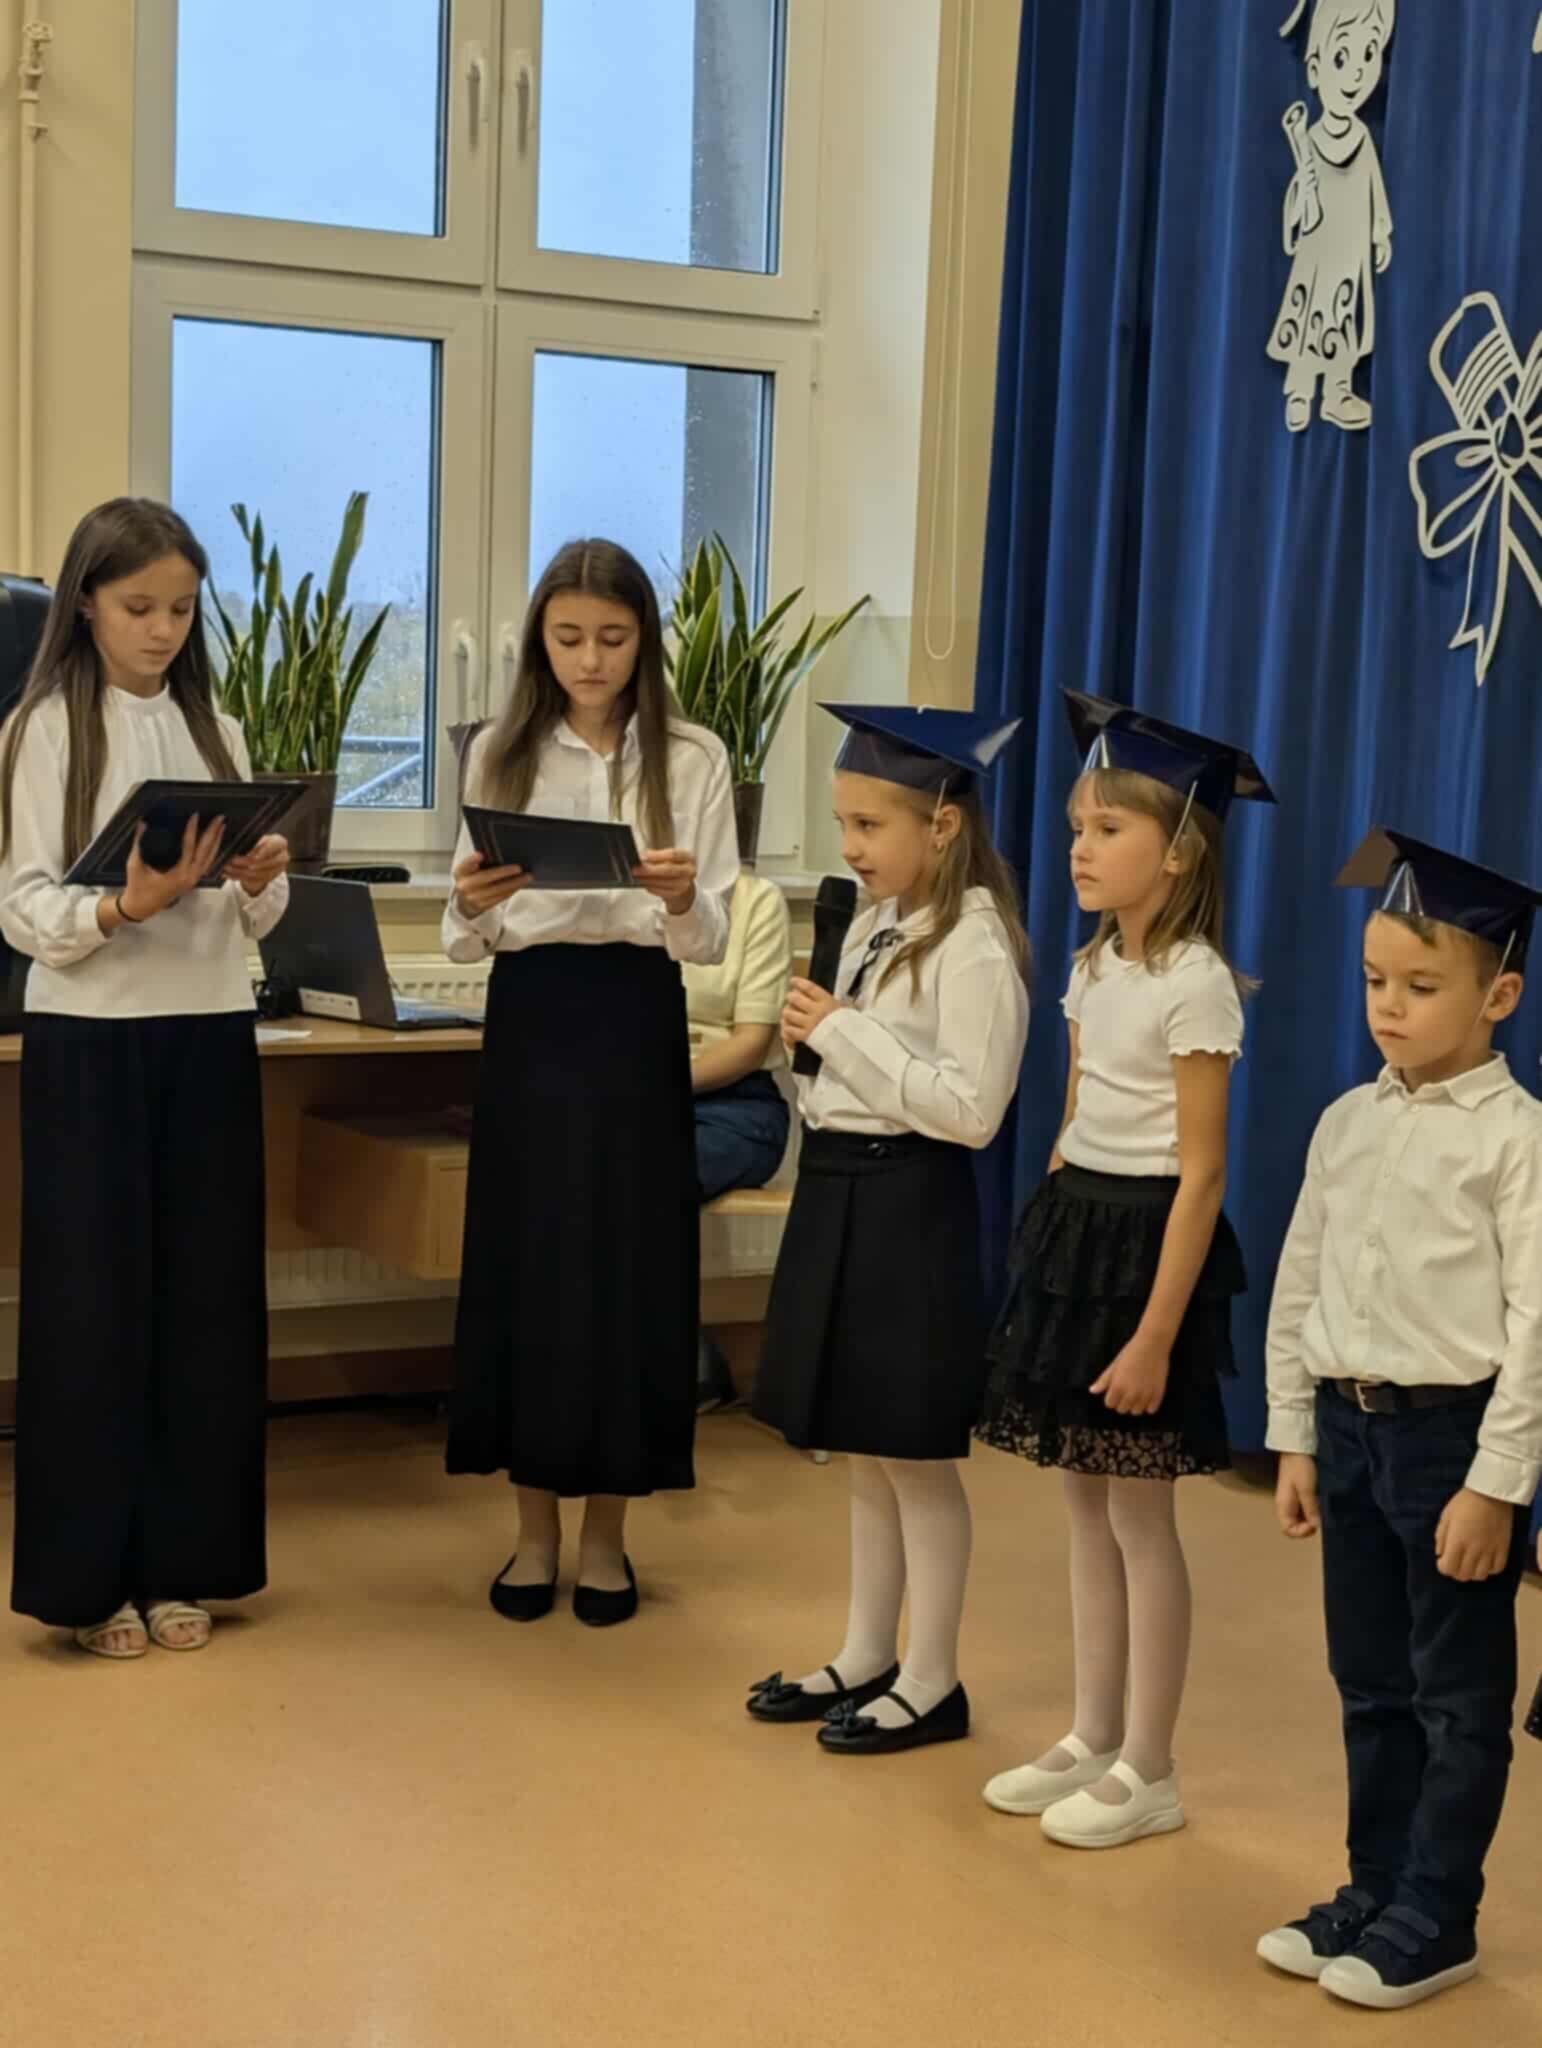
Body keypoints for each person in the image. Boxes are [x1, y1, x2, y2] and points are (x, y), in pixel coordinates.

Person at [975, 691, 1274, 1846]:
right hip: (1081, 1232)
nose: (1080, 848)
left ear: (1179, 850)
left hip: (1150, 1247)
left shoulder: (1195, 980)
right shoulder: (1094, 965)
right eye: (1075, 828)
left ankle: (1151, 1763)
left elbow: (1202, 1172)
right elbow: (1074, 1110)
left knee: (1142, 1516)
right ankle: (1093, 1730)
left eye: (1107, 829)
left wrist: (1152, 1333)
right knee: (1082, 1499)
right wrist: (1052, 1231)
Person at [0, 498, 290, 1659]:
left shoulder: (216, 724)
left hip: (209, 1030)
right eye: (138, 607)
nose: (163, 629)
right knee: (93, 1309)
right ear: (85, 604)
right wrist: (126, 905)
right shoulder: (40, 731)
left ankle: (186, 1560)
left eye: (179, 608)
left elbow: (258, 914)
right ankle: (90, 1578)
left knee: (204, 1306)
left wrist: (261, 875)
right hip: (92, 1040)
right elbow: (24, 906)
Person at [1259, 829, 1542, 2010]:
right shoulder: (1347, 1120)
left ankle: (1438, 1910)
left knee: (1455, 1694)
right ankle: (1373, 1885)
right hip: (1349, 1426)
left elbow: (1536, 1324)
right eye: (1376, 979)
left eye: (1422, 986)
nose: (1389, 1004)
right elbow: (1301, 1276)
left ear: (1499, 996)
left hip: (1450, 1445)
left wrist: (1497, 1482)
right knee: (1369, 1678)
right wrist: (1292, 1428)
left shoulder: (1518, 1141)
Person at [443, 538, 738, 1627]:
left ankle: (608, 1537)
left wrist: (679, 897)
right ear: (539, 641)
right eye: (568, 637)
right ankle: (532, 1534)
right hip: (532, 1016)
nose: (590, 659)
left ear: (644, 641)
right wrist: (473, 901)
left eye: (612, 638)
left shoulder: (692, 756)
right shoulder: (501, 749)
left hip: (633, 1018)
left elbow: (709, 937)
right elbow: (463, 930)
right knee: (530, 1264)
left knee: (628, 1270)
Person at [746, 705, 1029, 1756]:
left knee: (912, 1452)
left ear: (942, 825)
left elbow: (972, 1110)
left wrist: (844, 1033)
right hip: (840, 1184)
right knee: (861, 1445)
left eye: (869, 824)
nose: (851, 845)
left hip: (912, 1199)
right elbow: (843, 1068)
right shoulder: (875, 919)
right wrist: (814, 1047)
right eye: (842, 822)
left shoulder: (975, 943)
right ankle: (866, 1652)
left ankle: (932, 1676)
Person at [683, 867, 793, 1412]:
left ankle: (684, 1360)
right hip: (632, 1098)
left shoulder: (756, 900)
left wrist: (654, 1089)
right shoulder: (617, 901)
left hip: (736, 1106)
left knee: (644, 1170)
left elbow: (751, 1045)